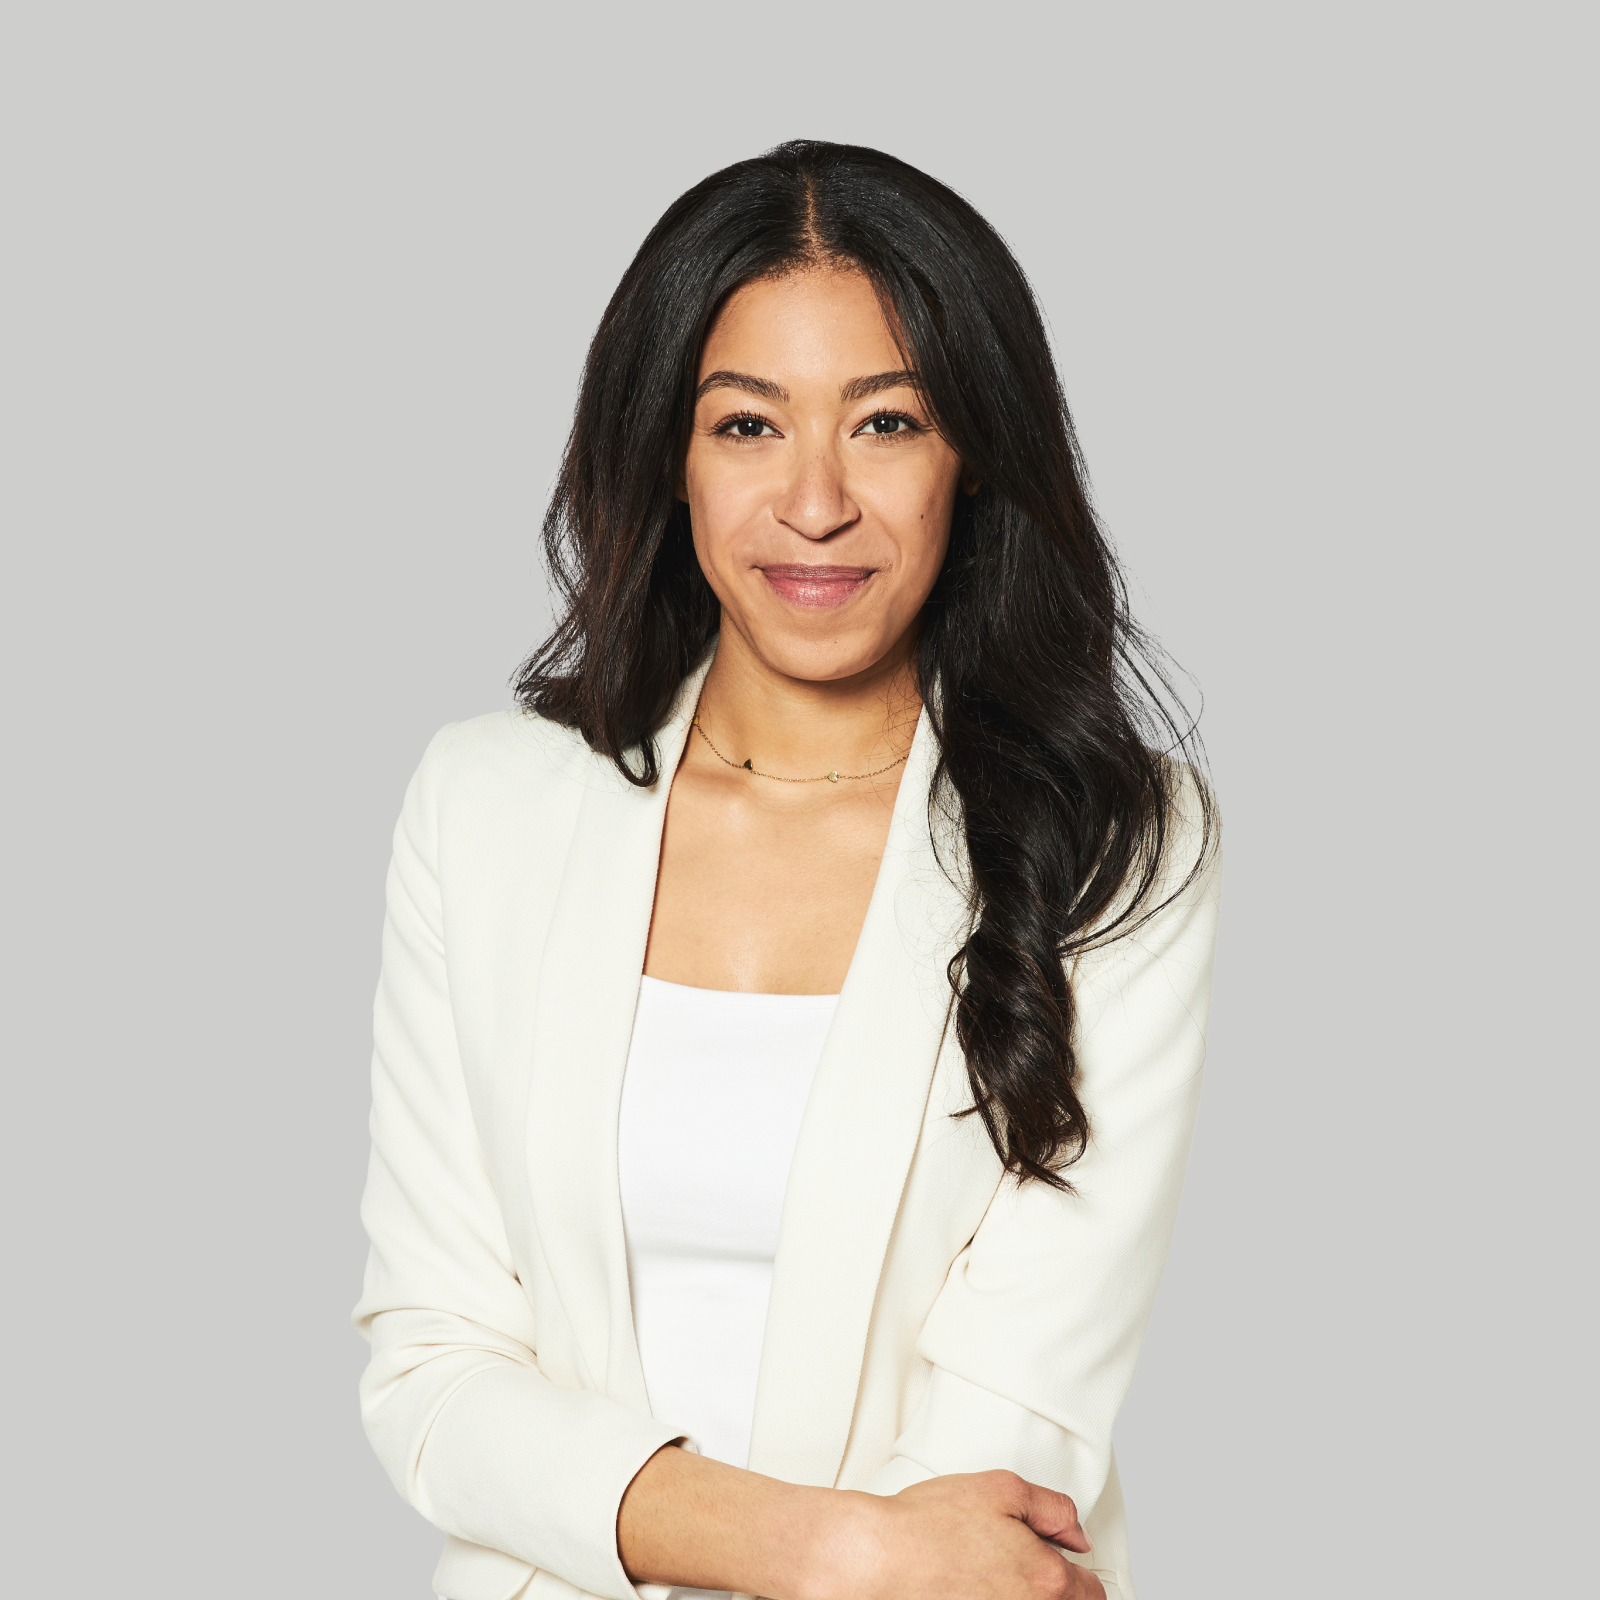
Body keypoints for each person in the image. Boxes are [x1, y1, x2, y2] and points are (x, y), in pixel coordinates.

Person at [353, 140, 1221, 1600]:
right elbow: (435, 1373)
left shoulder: (1122, 838)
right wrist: (835, 1547)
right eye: (748, 425)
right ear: (670, 455)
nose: (815, 502)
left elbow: (1017, 1412)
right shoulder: (483, 808)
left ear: (971, 457)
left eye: (887, 423)